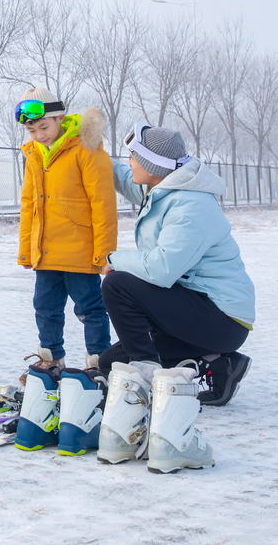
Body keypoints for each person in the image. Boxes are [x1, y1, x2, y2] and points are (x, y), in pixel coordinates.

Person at [95, 123, 254, 473]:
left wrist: (111, 260)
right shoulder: (166, 190)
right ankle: (219, 363)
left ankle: (148, 381)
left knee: (117, 283)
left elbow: (162, 269)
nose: (130, 162)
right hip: (196, 311)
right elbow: (124, 178)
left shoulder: (191, 206)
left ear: (153, 166)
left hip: (223, 317)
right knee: (110, 364)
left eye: (136, 156)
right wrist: (91, 151)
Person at [16, 88, 118, 381]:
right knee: (45, 308)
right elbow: (29, 205)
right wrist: (27, 249)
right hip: (46, 252)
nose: (38, 135)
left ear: (60, 118)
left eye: (43, 127)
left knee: (90, 309)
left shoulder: (86, 149)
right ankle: (50, 360)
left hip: (79, 252)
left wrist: (105, 252)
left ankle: (98, 362)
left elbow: (103, 204)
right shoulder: (34, 155)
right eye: (31, 130)